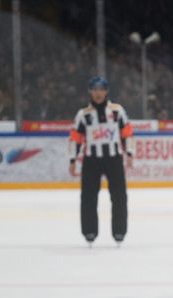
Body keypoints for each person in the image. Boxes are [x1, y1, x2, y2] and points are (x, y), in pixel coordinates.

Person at [68, 76, 133, 247]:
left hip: (113, 159)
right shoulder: (83, 115)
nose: (98, 93)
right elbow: (75, 138)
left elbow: (127, 133)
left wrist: (130, 153)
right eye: (94, 89)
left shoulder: (117, 111)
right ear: (90, 91)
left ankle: (119, 231)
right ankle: (89, 231)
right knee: (88, 197)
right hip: (91, 161)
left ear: (106, 91)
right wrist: (72, 159)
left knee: (119, 197)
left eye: (101, 89)